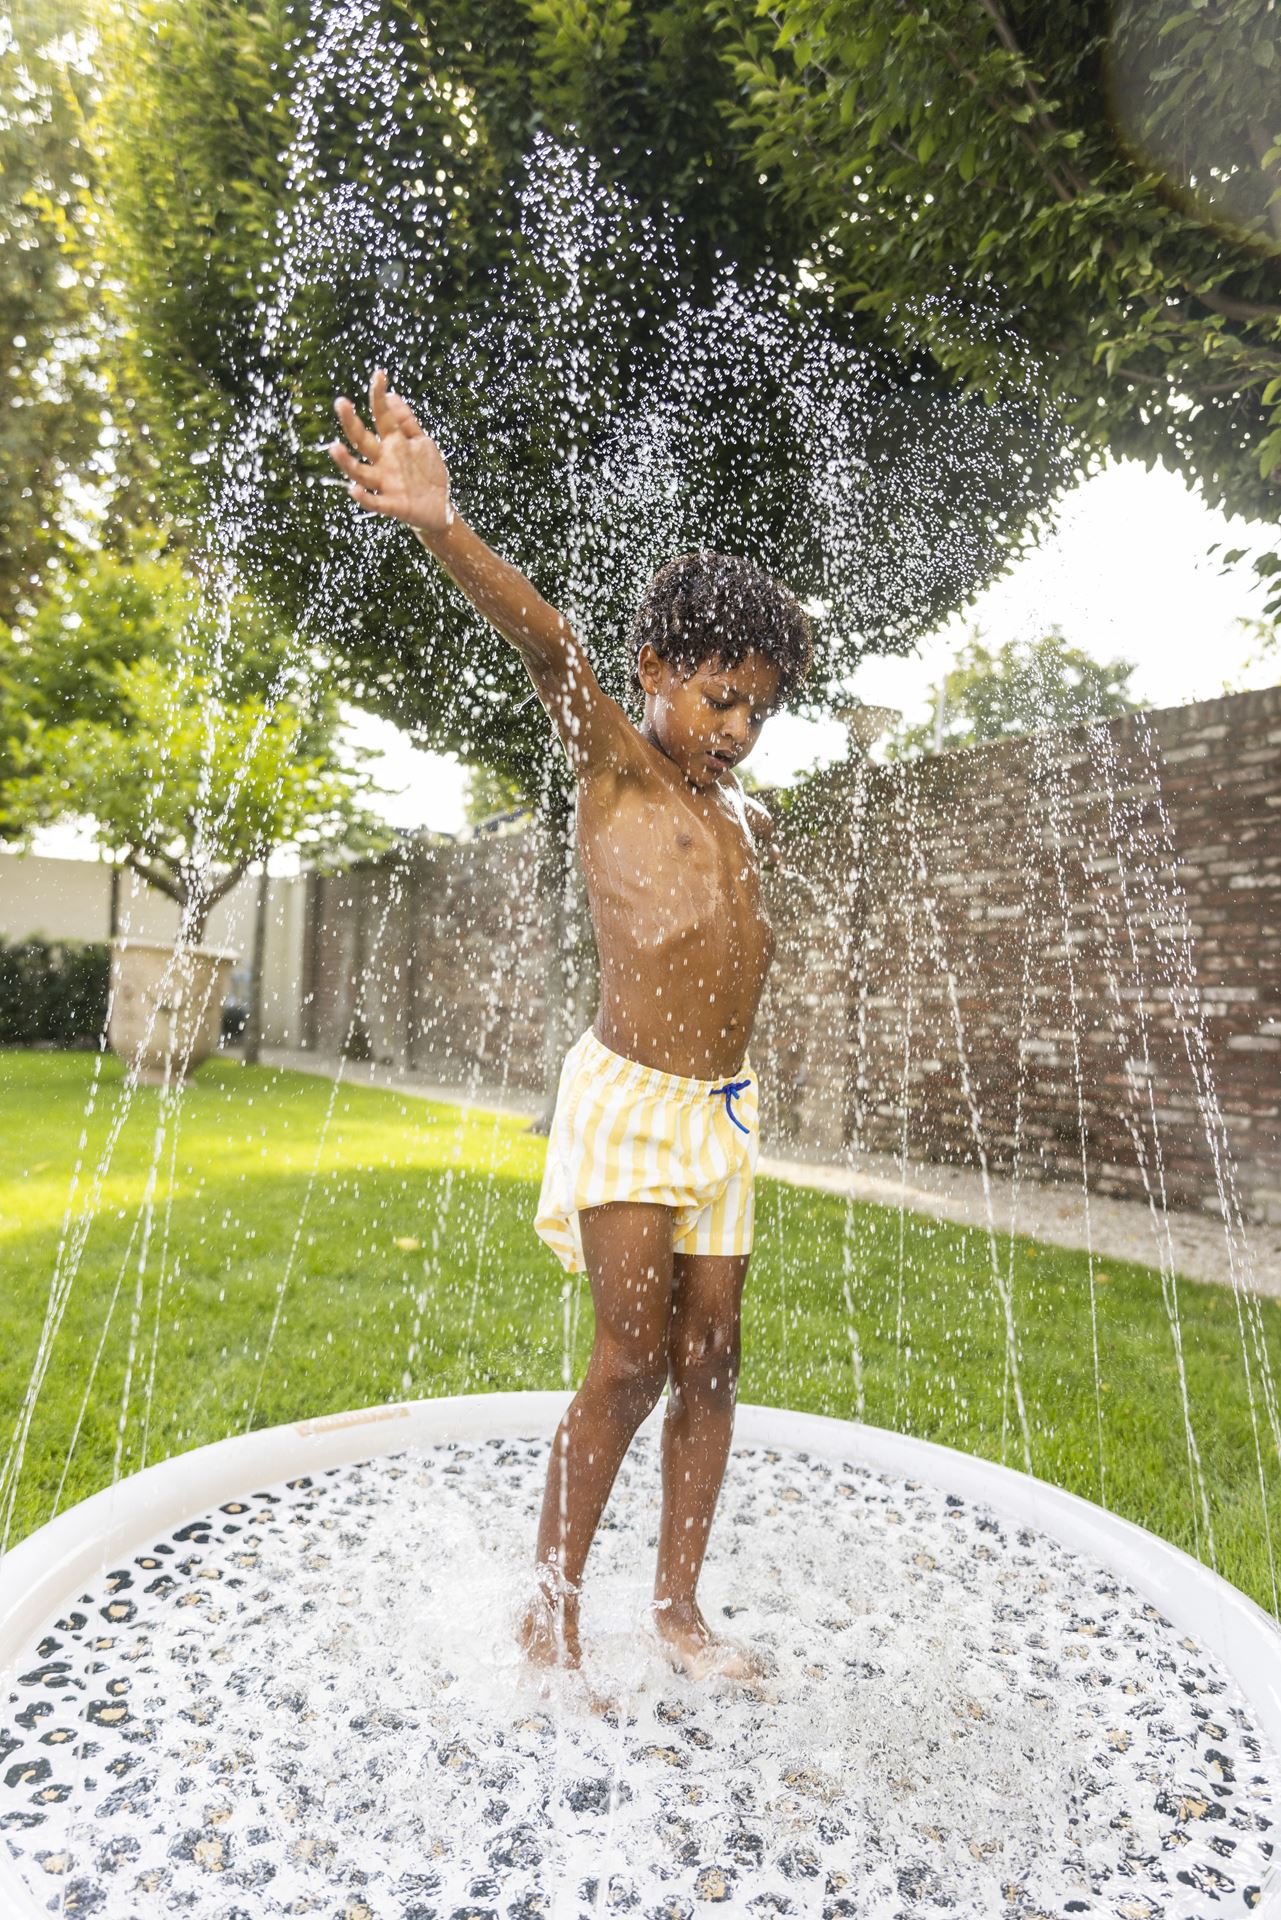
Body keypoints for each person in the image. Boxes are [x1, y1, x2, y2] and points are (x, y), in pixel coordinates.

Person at [329, 370, 812, 1688]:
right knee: (629, 1359)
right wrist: (440, 525)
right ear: (656, 671)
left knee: (710, 1360)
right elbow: (549, 645)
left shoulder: (743, 818)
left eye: (760, 710)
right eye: (718, 698)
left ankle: (677, 1615)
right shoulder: (612, 758)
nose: (738, 728)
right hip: (625, 1107)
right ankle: (547, 1604)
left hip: (718, 1116)